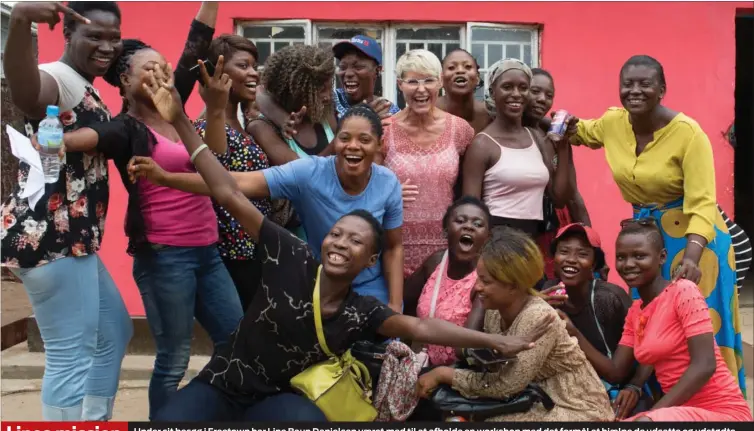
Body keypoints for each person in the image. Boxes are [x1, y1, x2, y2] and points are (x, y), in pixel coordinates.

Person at [132, 67, 553, 420]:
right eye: (335, 234)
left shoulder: (359, 310)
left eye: (354, 241)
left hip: (282, 397)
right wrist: (183, 126)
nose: (338, 243)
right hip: (225, 385)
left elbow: (420, 324)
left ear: (366, 258)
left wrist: (494, 341)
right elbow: (227, 191)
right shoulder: (291, 255)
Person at [52, 37, 244, 419]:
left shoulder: (178, 116)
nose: (162, 73)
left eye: (164, 67)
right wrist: (52, 137)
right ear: (124, 81)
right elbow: (92, 138)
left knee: (236, 342)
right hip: (164, 256)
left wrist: (216, 109)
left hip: (207, 250)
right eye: (149, 68)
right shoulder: (126, 128)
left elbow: (217, 159)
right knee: (174, 359)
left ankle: (204, 407)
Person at [569, 55, 746, 394]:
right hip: (644, 239)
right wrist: (551, 121)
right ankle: (652, 399)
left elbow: (703, 203)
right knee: (652, 322)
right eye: (628, 84)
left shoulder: (688, 134)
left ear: (662, 90)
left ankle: (714, 406)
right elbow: (581, 131)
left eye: (645, 84)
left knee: (700, 323)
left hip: (697, 240)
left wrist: (692, 256)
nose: (634, 90)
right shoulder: (612, 123)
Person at [129, 104, 405, 310]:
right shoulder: (309, 172)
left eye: (364, 140)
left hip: (371, 289)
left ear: (379, 144)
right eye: (345, 138)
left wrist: (394, 304)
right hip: (322, 285)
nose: (352, 146)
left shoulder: (387, 183)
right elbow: (235, 184)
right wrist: (165, 178)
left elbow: (393, 247)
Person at [0, 1, 132, 420]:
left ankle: (91, 419)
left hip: (76, 242)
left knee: (114, 331)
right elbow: (25, 92)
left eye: (114, 37)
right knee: (69, 356)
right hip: (51, 239)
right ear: (68, 37)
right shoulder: (58, 79)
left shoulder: (85, 84)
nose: (107, 46)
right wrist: (20, 21)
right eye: (95, 36)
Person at [416, 226, 614, 421]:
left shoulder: (538, 317)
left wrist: (444, 374)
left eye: (485, 281)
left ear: (512, 285)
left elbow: (506, 385)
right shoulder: (494, 310)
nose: (477, 287)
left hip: (577, 407)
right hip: (535, 398)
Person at [584, 221, 752, 421]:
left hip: (721, 411)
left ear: (662, 257)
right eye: (621, 257)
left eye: (639, 256)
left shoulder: (683, 292)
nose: (628, 264)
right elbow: (615, 371)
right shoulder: (635, 312)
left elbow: (705, 365)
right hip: (676, 411)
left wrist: (653, 413)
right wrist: (572, 332)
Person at [538, 223, 655, 417]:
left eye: (582, 254)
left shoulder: (608, 298)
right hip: (576, 388)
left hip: (622, 387)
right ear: (554, 258)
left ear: (593, 264)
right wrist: (535, 306)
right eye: (564, 252)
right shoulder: (548, 293)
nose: (571, 260)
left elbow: (651, 344)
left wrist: (636, 385)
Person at [380, 49, 475, 276]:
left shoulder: (459, 130)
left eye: (429, 81)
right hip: (395, 247)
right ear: (400, 84)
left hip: (445, 248)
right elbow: (363, 184)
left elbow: (470, 185)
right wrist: (387, 193)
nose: (421, 89)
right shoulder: (384, 130)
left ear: (440, 82)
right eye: (412, 81)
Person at [194, 34, 272, 309]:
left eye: (255, 65)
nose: (253, 73)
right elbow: (214, 164)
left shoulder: (241, 124)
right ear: (217, 71)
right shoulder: (208, 127)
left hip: (254, 250)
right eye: (244, 65)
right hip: (232, 257)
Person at [462, 59, 573, 243]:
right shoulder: (482, 144)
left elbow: (559, 198)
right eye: (507, 87)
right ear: (492, 92)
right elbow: (470, 210)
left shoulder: (537, 138)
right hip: (495, 242)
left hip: (532, 242)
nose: (516, 94)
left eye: (523, 88)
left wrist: (563, 146)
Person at [248, 45, 337, 240]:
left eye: (330, 86)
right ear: (297, 90)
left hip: (336, 225)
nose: (328, 95)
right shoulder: (262, 127)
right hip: (299, 236)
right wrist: (339, 143)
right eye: (321, 89)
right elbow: (303, 176)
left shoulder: (324, 111)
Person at [404, 196, 492, 366]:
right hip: (421, 366)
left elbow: (466, 345)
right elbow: (403, 305)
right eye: (460, 221)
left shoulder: (486, 278)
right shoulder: (434, 263)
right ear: (445, 231)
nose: (468, 226)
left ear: (487, 237)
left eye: (478, 224)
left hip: (457, 374)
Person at [523, 68, 592, 279]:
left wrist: (590, 241)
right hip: (525, 225)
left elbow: (573, 194)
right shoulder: (505, 134)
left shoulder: (554, 135)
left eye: (549, 95)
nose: (542, 99)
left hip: (557, 225)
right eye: (534, 91)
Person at [332, 35, 400, 121]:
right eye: (343, 67)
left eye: (358, 67)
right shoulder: (328, 102)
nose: (348, 74)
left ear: (377, 71)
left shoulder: (389, 112)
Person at [435, 48, 491, 134]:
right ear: (441, 79)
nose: (460, 70)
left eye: (468, 67)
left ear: (478, 78)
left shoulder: (490, 114)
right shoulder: (428, 112)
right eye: (451, 67)